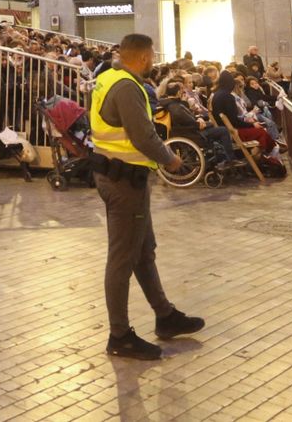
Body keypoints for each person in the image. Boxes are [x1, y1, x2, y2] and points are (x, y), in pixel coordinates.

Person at [87, 33, 205, 360]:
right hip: (124, 181)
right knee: (123, 258)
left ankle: (165, 316)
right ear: (142, 57)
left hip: (119, 176)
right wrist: (171, 159)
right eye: (151, 55)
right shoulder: (127, 86)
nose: (153, 61)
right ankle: (119, 336)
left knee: (143, 251)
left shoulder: (108, 77)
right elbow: (142, 136)